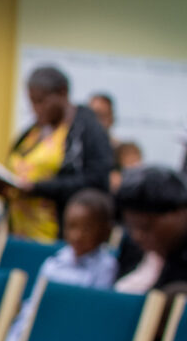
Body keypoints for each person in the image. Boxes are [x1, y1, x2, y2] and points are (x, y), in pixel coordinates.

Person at [3, 189, 118, 341]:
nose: (77, 235)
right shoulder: (53, 264)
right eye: (71, 226)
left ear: (105, 232)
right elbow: (32, 306)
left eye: (86, 229)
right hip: (39, 336)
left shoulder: (107, 267)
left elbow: (93, 316)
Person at [6, 66, 112, 241]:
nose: (36, 108)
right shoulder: (34, 130)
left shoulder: (87, 128)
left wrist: (39, 188)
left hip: (61, 233)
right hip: (21, 231)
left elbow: (97, 180)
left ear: (63, 93)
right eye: (32, 102)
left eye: (42, 101)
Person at [115, 166, 187, 292]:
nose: (137, 236)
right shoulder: (135, 248)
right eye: (131, 227)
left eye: (145, 227)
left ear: (181, 212)